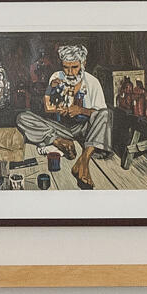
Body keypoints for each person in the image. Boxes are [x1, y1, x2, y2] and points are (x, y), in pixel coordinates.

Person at [15, 43, 112, 188]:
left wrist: (81, 110)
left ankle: (83, 160)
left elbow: (100, 114)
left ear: (83, 64)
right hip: (61, 128)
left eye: (75, 67)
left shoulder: (92, 82)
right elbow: (48, 108)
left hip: (85, 131)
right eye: (66, 67)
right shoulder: (56, 77)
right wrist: (52, 95)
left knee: (106, 114)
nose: (70, 72)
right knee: (22, 117)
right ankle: (58, 141)